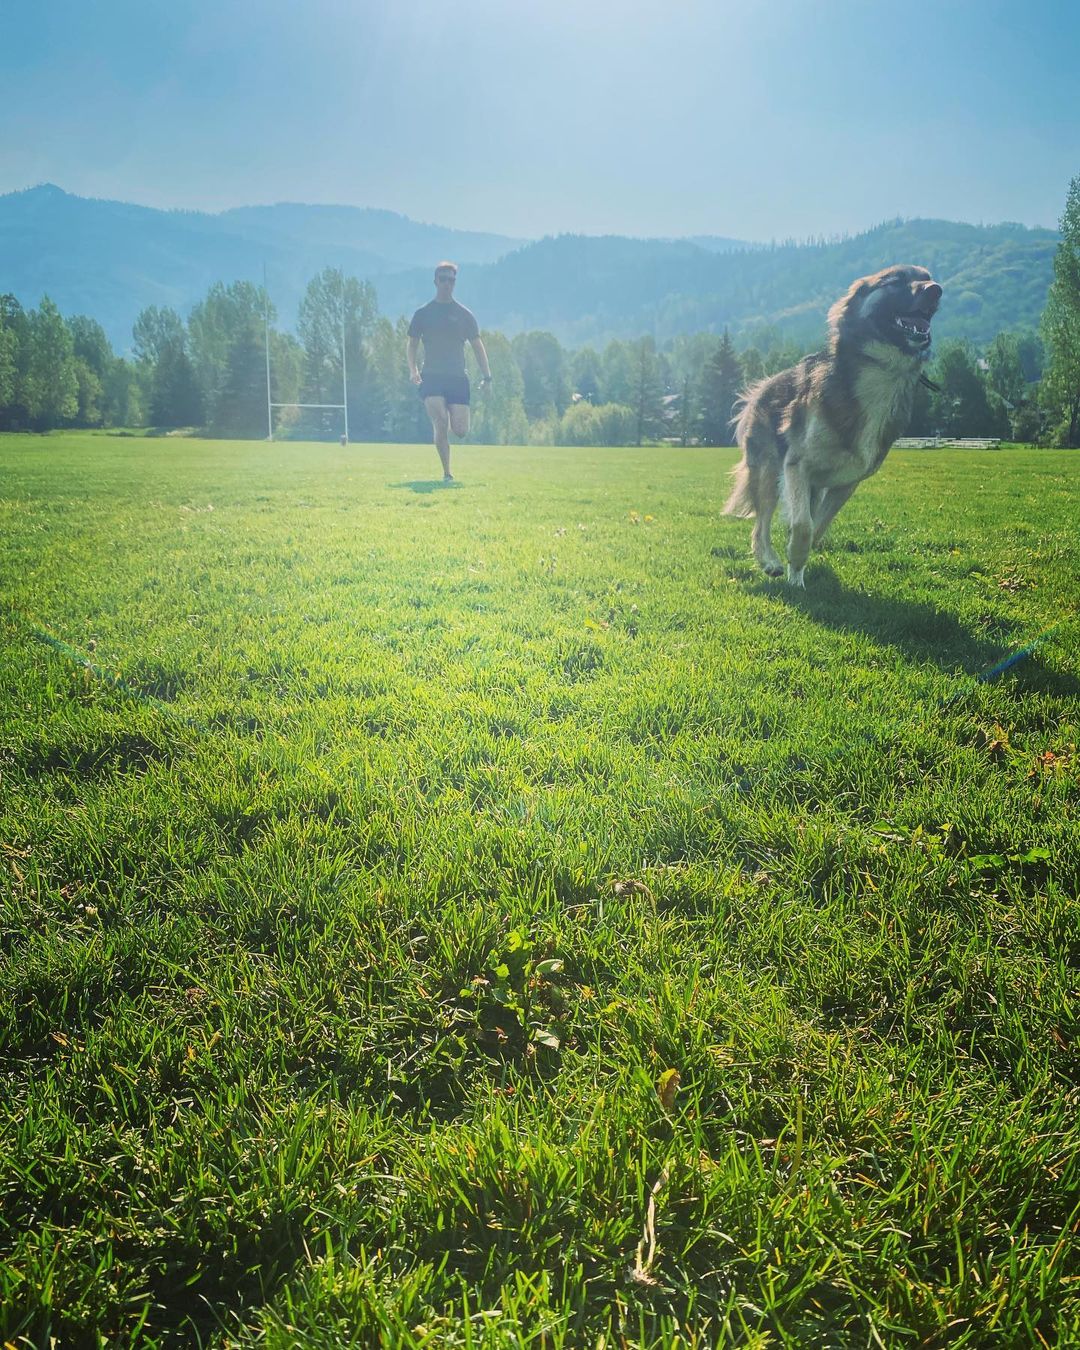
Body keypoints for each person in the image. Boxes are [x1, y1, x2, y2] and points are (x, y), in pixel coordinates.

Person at [407, 261, 492, 481]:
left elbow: (477, 346)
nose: (447, 284)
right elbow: (412, 344)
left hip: (457, 378)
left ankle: (445, 427)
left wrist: (487, 377)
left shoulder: (464, 315)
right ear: (435, 281)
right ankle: (447, 473)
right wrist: (413, 369)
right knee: (441, 422)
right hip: (432, 377)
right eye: (443, 279)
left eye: (451, 280)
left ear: (455, 283)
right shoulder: (423, 314)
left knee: (461, 430)